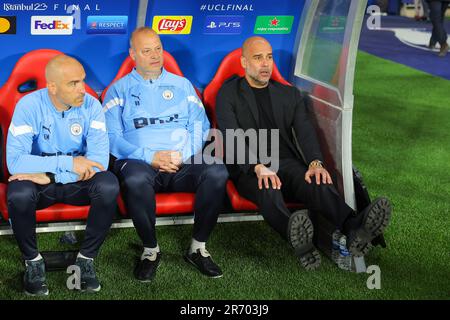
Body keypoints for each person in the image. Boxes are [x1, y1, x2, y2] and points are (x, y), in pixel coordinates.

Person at [215, 37, 392, 270]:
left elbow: (306, 131)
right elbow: (231, 134)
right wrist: (257, 167)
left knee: (316, 180)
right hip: (250, 169)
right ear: (244, 62)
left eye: (269, 57)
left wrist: (315, 163)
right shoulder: (229, 93)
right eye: (258, 58)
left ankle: (353, 227)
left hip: (287, 163)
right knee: (268, 188)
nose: (265, 64)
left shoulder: (288, 95)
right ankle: (296, 235)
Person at [103, 27, 228, 281]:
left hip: (181, 161)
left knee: (216, 170)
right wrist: (149, 156)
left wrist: (180, 154)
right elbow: (111, 137)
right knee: (136, 178)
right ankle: (150, 250)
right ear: (133, 55)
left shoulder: (182, 86)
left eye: (158, 48)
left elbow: (200, 126)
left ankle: (198, 248)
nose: (154, 55)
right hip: (140, 163)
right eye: (146, 50)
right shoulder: (118, 90)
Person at [7, 55, 119, 295]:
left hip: (66, 181)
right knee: (18, 192)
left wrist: (54, 175)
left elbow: (99, 162)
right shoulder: (28, 106)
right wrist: (69, 162)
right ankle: (33, 261)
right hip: (42, 184)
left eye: (83, 81)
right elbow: (15, 162)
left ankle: (86, 259)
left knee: (108, 184)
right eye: (74, 83)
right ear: (52, 87)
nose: (83, 89)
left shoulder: (91, 105)